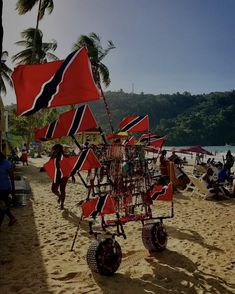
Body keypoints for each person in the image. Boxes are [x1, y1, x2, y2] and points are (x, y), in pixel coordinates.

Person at [0, 152, 17, 230]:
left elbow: (12, 177)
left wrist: (13, 190)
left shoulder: (7, 164)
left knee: (2, 207)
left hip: (5, 188)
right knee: (3, 206)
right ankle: (12, 218)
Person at [50, 144, 69, 210]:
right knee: (54, 189)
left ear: (58, 149)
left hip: (62, 175)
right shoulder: (54, 156)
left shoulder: (65, 156)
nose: (54, 150)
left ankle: (62, 204)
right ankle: (60, 197)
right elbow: (50, 163)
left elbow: (70, 166)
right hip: (59, 175)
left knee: (61, 189)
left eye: (55, 149)